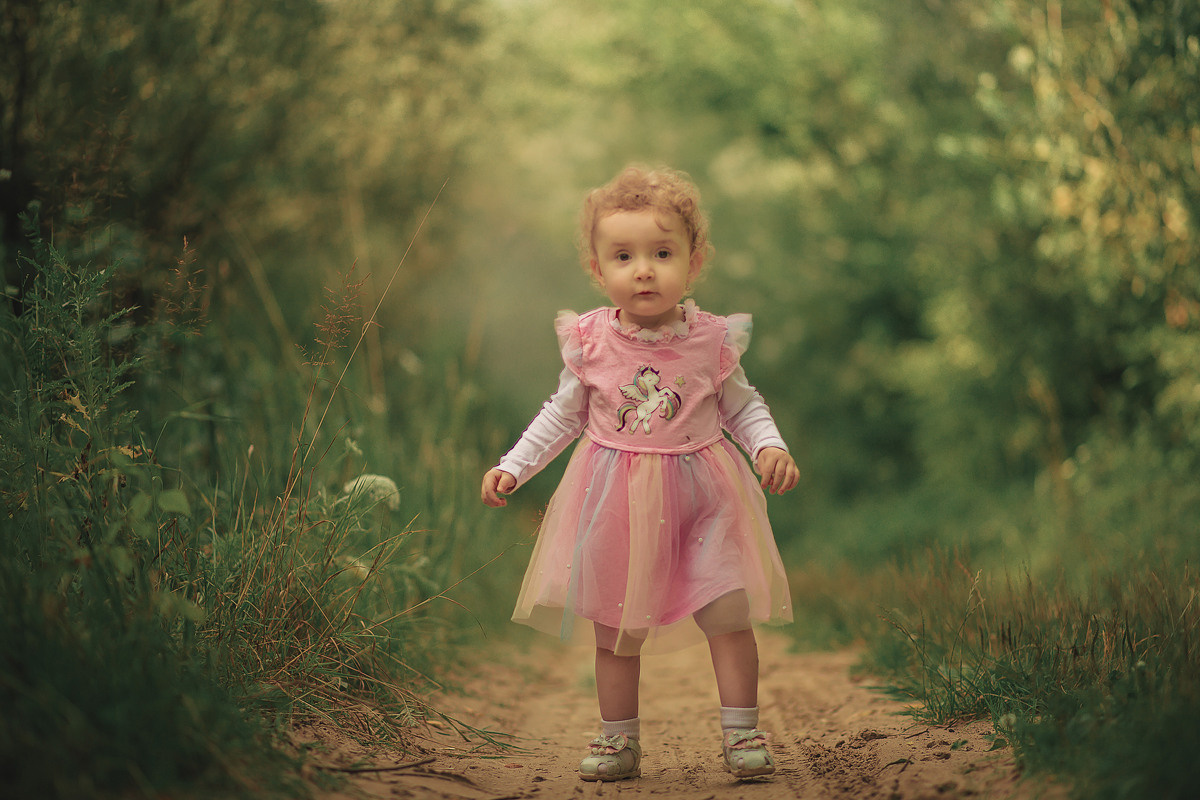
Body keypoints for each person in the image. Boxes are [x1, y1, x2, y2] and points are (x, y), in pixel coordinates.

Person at [481, 165, 798, 782]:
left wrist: (768, 447)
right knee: (617, 628)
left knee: (728, 613)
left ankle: (741, 732)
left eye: (662, 253)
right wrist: (513, 466)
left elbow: (743, 405)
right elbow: (561, 416)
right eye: (623, 256)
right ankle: (616, 738)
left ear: (693, 261)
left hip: (707, 498)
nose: (644, 269)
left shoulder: (711, 341)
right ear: (599, 271)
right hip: (616, 499)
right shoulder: (591, 342)